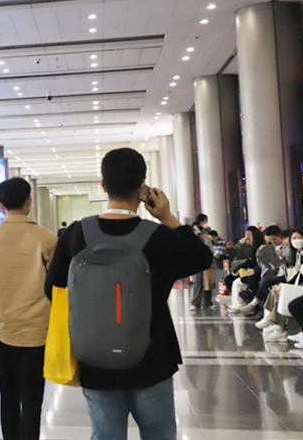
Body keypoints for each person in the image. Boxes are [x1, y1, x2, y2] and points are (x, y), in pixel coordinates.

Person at [45, 148, 211, 440]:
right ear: (142, 187)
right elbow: (201, 257)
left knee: (105, 434)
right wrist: (167, 217)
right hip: (152, 357)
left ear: (103, 185)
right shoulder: (159, 237)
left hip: (94, 360)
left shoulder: (74, 234)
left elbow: (52, 289)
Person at [0, 177, 57, 440]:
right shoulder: (47, 239)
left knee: (7, 393)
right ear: (29, 201)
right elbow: (58, 287)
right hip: (38, 329)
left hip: (1, 328)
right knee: (32, 398)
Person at [189, 214, 214, 311]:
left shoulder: (203, 231)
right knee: (197, 280)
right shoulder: (195, 231)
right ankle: (195, 303)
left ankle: (207, 302)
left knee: (207, 280)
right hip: (197, 258)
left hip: (206, 257)